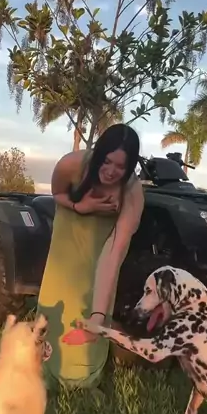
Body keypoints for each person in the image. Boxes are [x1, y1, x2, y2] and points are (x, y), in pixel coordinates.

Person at [37, 124, 144, 389]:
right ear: (98, 154)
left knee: (89, 304)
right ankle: (43, 362)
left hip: (100, 250)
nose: (111, 171)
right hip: (68, 236)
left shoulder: (132, 193)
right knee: (58, 299)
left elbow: (114, 253)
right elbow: (57, 194)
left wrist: (97, 318)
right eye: (106, 161)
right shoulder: (71, 164)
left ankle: (81, 375)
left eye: (120, 166)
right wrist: (79, 206)